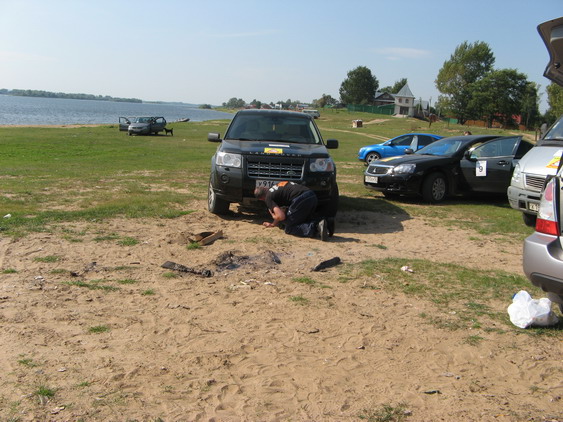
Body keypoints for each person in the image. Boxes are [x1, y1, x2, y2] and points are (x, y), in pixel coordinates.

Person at [254, 182, 330, 241]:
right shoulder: (276, 188)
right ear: (265, 188)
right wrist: (273, 224)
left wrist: (274, 216)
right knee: (302, 220)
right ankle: (328, 223)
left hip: (301, 199)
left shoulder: (268, 197)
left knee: (289, 228)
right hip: (311, 195)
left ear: (261, 199)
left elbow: (281, 216)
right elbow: (282, 210)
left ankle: (316, 228)